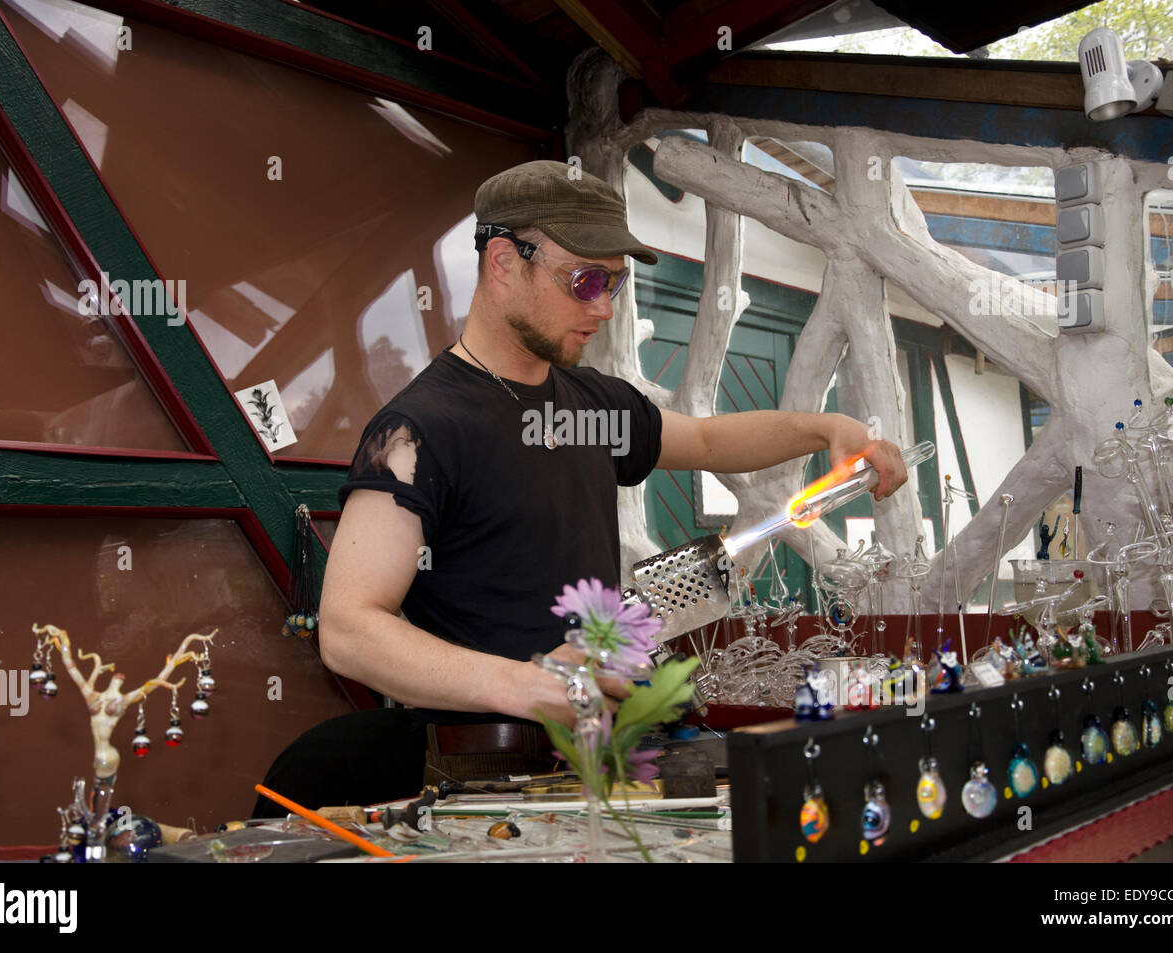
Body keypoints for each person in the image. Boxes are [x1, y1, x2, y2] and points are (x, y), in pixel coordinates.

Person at [251, 161, 906, 814]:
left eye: (615, 281)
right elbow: (348, 628)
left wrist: (826, 427)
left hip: (597, 768)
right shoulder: (414, 430)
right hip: (481, 785)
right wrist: (532, 685)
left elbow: (707, 441)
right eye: (584, 280)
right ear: (505, 262)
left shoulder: (592, 405)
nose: (604, 306)